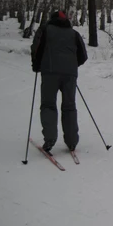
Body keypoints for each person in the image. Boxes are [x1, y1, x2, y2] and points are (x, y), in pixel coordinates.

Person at [31, 10, 88, 153]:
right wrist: (71, 65)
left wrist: (37, 66)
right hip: (70, 75)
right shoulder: (74, 34)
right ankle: (72, 141)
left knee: (48, 105)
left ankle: (50, 138)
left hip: (49, 72)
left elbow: (36, 49)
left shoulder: (45, 30)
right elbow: (83, 55)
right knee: (69, 106)